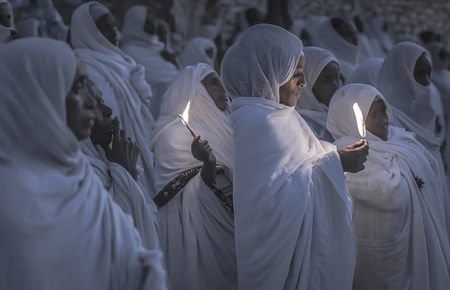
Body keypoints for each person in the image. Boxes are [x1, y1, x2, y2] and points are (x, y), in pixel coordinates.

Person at [0, 37, 167, 290]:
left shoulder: (80, 179)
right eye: (77, 87)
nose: (91, 102)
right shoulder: (12, 201)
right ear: (38, 99)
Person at [221, 23, 366, 290]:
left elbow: (301, 166)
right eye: (295, 74)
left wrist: (333, 156)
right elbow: (271, 205)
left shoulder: (281, 115)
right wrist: (338, 162)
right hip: (281, 264)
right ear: (271, 72)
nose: (304, 83)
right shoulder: (257, 121)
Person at [327, 83, 450, 290]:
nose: (384, 119)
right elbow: (391, 194)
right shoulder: (347, 152)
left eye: (384, 110)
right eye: (374, 114)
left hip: (415, 246)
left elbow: (429, 165)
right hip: (382, 258)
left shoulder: (398, 137)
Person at [150, 63, 237, 290]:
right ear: (192, 91)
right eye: (214, 84)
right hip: (201, 233)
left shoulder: (228, 125)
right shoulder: (172, 136)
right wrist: (208, 163)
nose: (223, 89)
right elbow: (178, 196)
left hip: (238, 222)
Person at [70, 1, 156, 196]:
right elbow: (104, 114)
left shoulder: (121, 61)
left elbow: (137, 107)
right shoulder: (86, 65)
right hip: (114, 153)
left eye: (113, 26)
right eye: (105, 28)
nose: (114, 33)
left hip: (136, 144)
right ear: (89, 32)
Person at [77, 77, 162, 251]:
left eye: (101, 101)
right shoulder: (79, 177)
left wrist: (126, 173)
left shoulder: (103, 159)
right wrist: (125, 173)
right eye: (91, 105)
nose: (108, 110)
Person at [378, 41, 445, 167]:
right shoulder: (385, 117)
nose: (426, 81)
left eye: (429, 72)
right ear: (401, 73)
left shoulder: (423, 107)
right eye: (419, 73)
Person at [121, 5, 179, 119]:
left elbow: (177, 74)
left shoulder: (158, 46)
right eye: (147, 20)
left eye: (152, 19)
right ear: (136, 24)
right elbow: (163, 77)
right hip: (151, 109)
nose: (153, 24)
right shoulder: (129, 51)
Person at [295, 46, 340, 142]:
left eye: (337, 78)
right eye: (327, 80)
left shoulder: (339, 119)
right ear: (307, 82)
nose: (335, 86)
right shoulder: (299, 125)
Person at [314, 17, 359, 83]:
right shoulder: (332, 68)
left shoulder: (352, 66)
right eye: (349, 35)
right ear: (333, 39)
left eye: (355, 34)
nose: (356, 39)